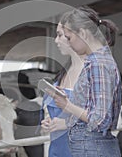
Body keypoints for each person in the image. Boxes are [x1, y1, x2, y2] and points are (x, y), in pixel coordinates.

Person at [51, 6, 122, 157]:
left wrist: (67, 105)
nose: (68, 43)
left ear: (83, 33)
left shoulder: (98, 64)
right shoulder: (96, 61)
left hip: (92, 147)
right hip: (91, 146)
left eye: (69, 38)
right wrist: (73, 98)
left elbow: (100, 120)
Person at [40, 22, 85, 157]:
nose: (56, 40)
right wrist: (49, 121)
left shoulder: (93, 73)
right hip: (57, 150)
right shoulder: (64, 73)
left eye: (60, 35)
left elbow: (103, 119)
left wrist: (66, 123)